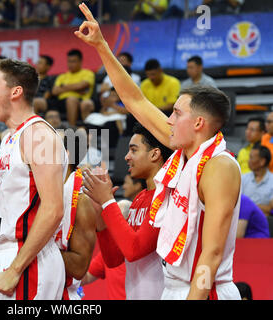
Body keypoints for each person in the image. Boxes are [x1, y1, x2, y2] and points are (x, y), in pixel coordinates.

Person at [75, 2, 241, 300]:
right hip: (173, 287)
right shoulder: (183, 152)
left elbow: (212, 253)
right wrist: (101, 46)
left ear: (199, 123)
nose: (169, 120)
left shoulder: (219, 166)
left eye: (177, 114)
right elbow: (135, 101)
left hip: (204, 291)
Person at [0, 59, 68, 300]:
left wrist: (15, 268)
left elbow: (54, 209)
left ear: (15, 91)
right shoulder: (11, 136)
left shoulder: (39, 136)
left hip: (30, 260)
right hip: (6, 251)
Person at [82, 123, 173, 299]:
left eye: (133, 150)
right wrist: (101, 214)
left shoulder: (166, 197)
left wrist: (108, 201)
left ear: (154, 154)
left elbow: (134, 250)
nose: (126, 157)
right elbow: (114, 259)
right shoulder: (139, 199)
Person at [55, 132, 97, 300]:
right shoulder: (37, 192)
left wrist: (34, 246)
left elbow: (79, 267)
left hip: (61, 295)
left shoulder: (81, 201)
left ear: (65, 155)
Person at [81, 199, 132, 300]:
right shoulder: (108, 252)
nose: (111, 225)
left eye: (116, 221)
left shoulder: (141, 253)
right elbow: (85, 277)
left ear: (128, 222)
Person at [51, 49, 95, 127]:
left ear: (80, 61)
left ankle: (72, 129)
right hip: (60, 101)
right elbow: (54, 91)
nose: (70, 64)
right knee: (38, 101)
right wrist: (76, 88)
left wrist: (63, 87)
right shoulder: (62, 76)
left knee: (71, 99)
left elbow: (82, 85)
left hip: (79, 100)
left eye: (73, 61)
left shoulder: (88, 73)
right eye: (69, 61)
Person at [241, 145, 273, 217]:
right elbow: (238, 204)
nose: (248, 161)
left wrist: (248, 205)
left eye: (251, 158)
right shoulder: (243, 178)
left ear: (262, 161)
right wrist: (261, 207)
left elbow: (270, 209)